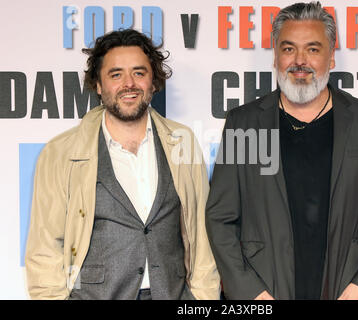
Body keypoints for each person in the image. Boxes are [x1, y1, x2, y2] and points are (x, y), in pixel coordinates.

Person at [206, 2, 358, 300]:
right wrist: (251, 294)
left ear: (331, 58)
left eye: (313, 49)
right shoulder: (244, 121)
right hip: (264, 292)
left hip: (345, 289)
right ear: (276, 56)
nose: (300, 61)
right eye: (289, 49)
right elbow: (220, 217)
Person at [25, 29, 220, 300]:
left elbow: (202, 237)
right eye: (116, 75)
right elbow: (44, 248)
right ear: (99, 85)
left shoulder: (182, 141)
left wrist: (202, 299)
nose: (129, 84)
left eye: (139, 73)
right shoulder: (61, 152)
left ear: (153, 81)